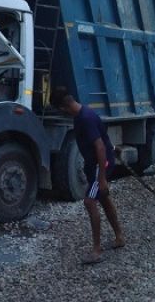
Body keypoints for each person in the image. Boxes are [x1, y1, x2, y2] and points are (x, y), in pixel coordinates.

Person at [51, 86, 125, 264]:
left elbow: (99, 146)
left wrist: (101, 179)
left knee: (90, 201)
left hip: (101, 167)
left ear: (63, 108)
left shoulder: (84, 119)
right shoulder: (83, 114)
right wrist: (113, 149)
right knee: (104, 199)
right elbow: (102, 140)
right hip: (98, 164)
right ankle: (119, 237)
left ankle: (97, 250)